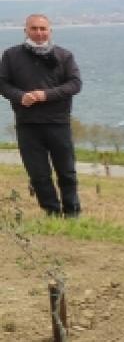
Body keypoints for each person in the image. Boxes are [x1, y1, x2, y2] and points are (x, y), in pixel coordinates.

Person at [0, 14, 82, 217]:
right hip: (27, 124)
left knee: (67, 172)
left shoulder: (65, 56)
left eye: (43, 29)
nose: (39, 33)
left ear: (50, 31)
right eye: (34, 28)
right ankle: (51, 213)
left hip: (58, 122)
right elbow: (2, 84)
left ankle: (72, 213)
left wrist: (45, 95)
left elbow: (75, 84)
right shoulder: (11, 56)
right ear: (25, 30)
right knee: (38, 174)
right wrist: (20, 97)